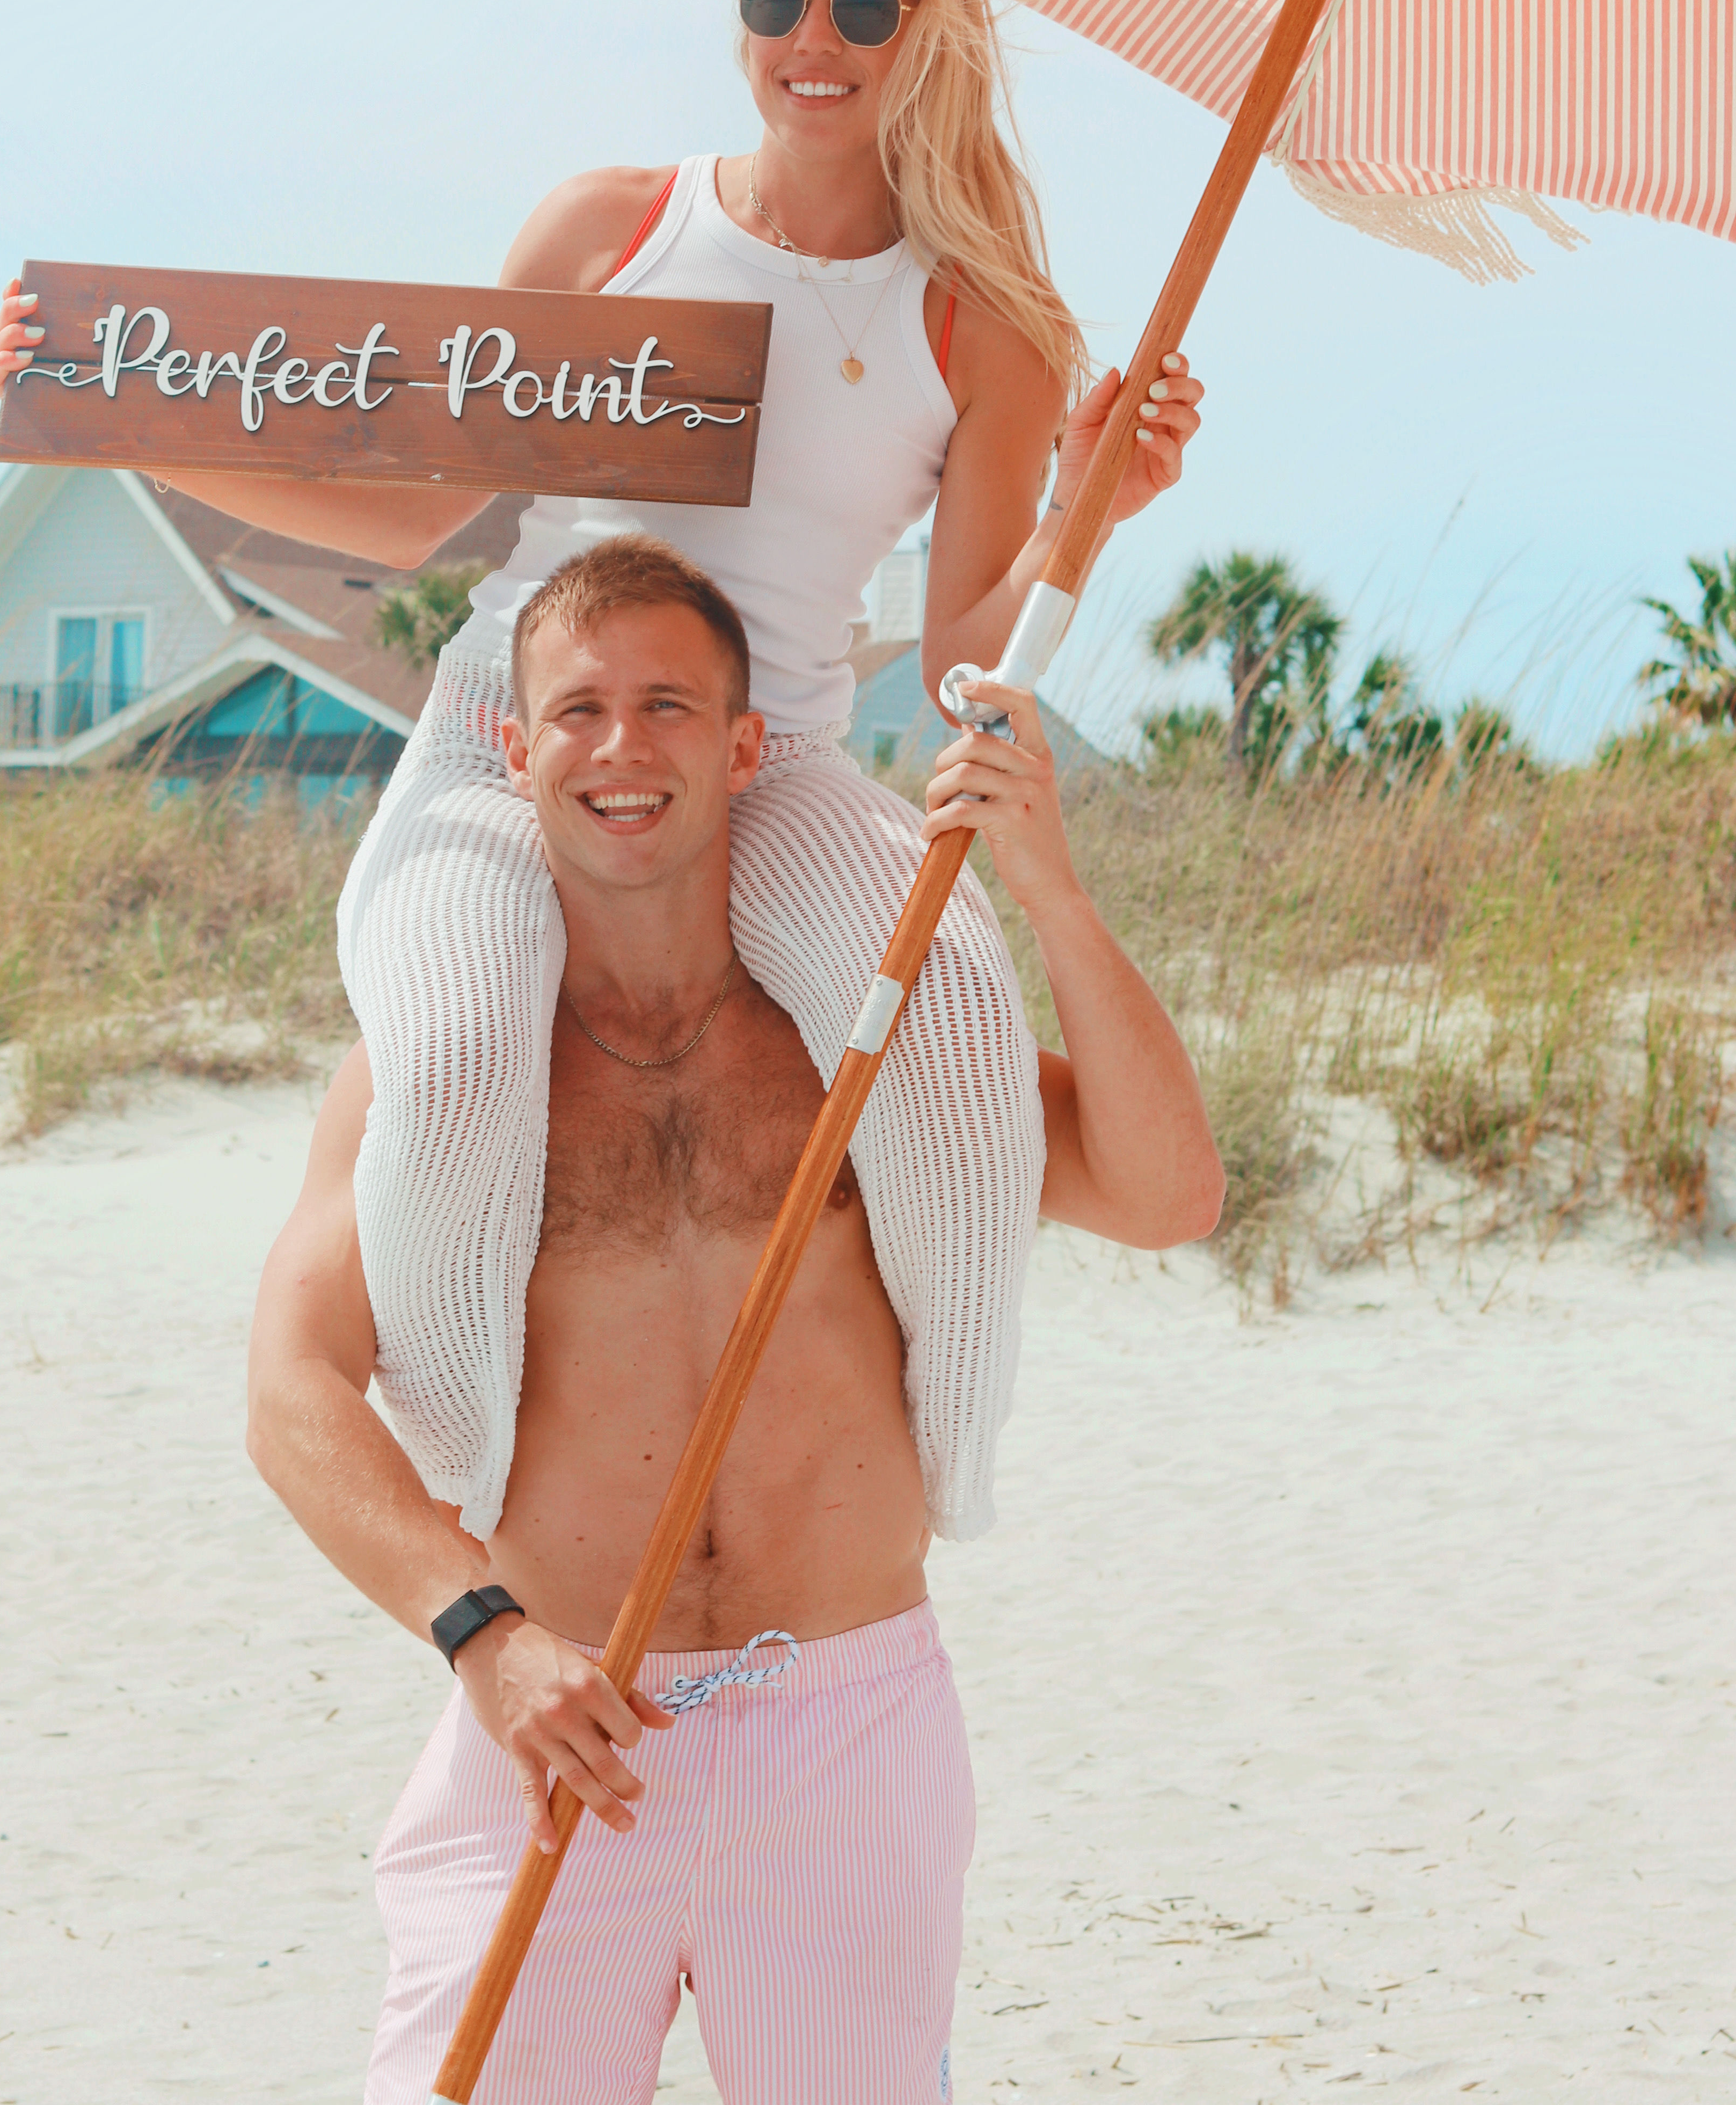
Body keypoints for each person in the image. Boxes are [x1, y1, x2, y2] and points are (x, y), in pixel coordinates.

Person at [0, 0, 1203, 1545]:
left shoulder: (985, 322)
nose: (814, 38)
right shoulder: (615, 226)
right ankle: (479, 1491)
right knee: (467, 1055)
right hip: (527, 725)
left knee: (958, 1035)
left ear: (933, 33)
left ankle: (949, 1463)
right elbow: (418, 510)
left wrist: (1090, 511)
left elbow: (957, 663)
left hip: (768, 753)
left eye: (863, 3)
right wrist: (118, 425)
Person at [247, 536, 1222, 2103]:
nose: (621, 748)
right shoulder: (441, 1073)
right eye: (575, 710)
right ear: (511, 750)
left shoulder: (875, 1042)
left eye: (669, 706)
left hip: (843, 1727)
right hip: (552, 1727)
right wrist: (479, 1636)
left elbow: (1169, 1193)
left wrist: (1046, 885)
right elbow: (291, 1388)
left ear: (749, 744)